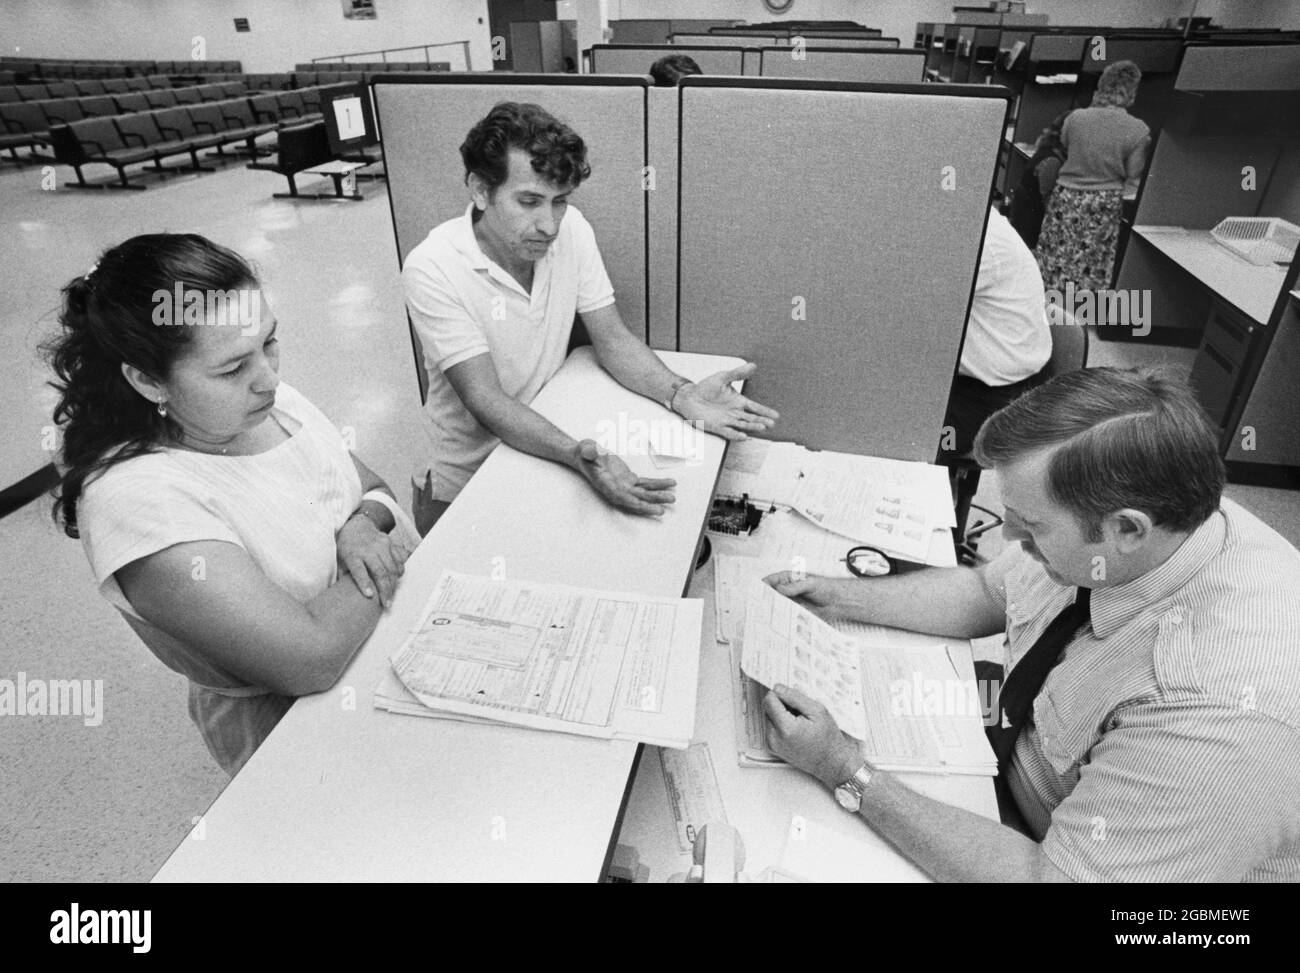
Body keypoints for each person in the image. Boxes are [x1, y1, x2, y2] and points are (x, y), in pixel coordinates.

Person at [764, 367, 1300, 881]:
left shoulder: (1220, 719)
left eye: (1030, 528)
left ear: (1128, 530)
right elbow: (986, 591)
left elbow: (1052, 879)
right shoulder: (1143, 514)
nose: (1009, 540)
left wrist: (845, 770)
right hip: (1008, 765)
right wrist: (837, 598)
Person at [48, 234, 417, 775]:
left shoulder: (268, 406)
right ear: (148, 380)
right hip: (292, 732)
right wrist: (387, 552)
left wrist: (362, 527)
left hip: (382, 654)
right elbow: (308, 660)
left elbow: (372, 490)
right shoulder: (139, 502)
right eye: (231, 368)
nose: (269, 379)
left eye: (269, 343)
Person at [402, 101, 777, 534]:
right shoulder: (433, 267)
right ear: (481, 189)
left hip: (544, 454)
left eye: (559, 202)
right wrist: (579, 455)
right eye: (529, 202)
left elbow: (612, 339)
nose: (549, 225)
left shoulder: (573, 229)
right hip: (465, 482)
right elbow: (487, 400)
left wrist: (682, 394)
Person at [937, 206, 1052, 467]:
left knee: (887, 433)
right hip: (968, 382)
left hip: (993, 404)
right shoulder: (967, 219)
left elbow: (903, 309)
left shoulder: (975, 241)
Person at [1035, 61, 1150, 294]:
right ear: (1129, 93)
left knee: (1055, 259)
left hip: (1066, 197)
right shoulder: (1139, 129)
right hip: (1102, 203)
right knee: (1089, 268)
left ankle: (1049, 315)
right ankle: (1077, 321)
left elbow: (1066, 146)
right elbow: (1133, 172)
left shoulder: (1075, 118)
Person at [1005, 112, 1068, 250]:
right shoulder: (1052, 162)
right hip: (1030, 224)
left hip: (1023, 217)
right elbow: (1047, 201)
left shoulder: (1047, 149)